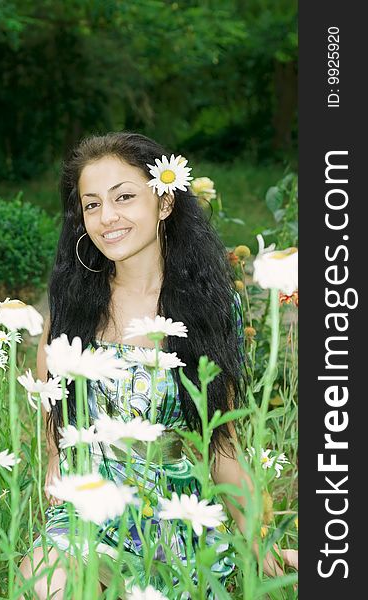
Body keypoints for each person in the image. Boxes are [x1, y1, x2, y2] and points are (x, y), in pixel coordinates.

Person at [20, 132, 298, 598]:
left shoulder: (209, 307)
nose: (106, 217)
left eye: (124, 197)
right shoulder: (73, 302)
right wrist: (54, 458)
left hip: (170, 515)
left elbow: (220, 442)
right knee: (46, 578)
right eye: (91, 205)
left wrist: (259, 539)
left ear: (164, 202)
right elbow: (52, 402)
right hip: (88, 506)